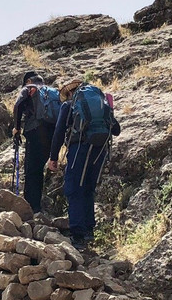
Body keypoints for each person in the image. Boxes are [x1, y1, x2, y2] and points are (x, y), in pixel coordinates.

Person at [47, 79, 120, 249]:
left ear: (70, 92)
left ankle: (78, 235)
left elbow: (58, 132)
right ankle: (89, 231)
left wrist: (53, 157)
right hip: (100, 148)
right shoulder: (102, 104)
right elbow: (116, 130)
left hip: (79, 147)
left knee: (73, 187)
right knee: (88, 187)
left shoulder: (69, 105)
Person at [12, 71, 61, 214]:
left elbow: (18, 105)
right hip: (53, 132)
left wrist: (17, 128)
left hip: (35, 131)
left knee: (32, 169)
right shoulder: (52, 91)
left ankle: (31, 208)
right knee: (39, 168)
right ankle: (37, 207)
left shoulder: (29, 88)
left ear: (28, 81)